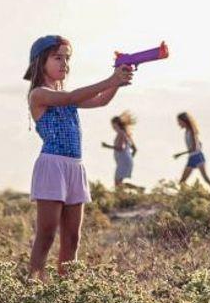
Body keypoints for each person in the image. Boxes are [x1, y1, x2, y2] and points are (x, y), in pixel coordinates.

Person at [24, 34, 133, 279]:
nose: (65, 63)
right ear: (40, 62)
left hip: (75, 167)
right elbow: (70, 98)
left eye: (67, 58)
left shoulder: (69, 97)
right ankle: (32, 289)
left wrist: (118, 80)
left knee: (73, 237)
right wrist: (110, 79)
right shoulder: (39, 95)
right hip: (52, 166)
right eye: (58, 58)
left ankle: (66, 292)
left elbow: (102, 101)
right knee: (47, 234)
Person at [174, 112, 210, 191]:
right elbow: (199, 144)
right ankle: (187, 196)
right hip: (192, 157)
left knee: (205, 178)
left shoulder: (191, 131)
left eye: (179, 121)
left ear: (184, 121)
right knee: (182, 181)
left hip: (197, 157)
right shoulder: (187, 131)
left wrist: (180, 154)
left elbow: (194, 147)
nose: (178, 123)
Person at [102, 111, 138, 189]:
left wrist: (106, 146)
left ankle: (137, 189)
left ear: (116, 124)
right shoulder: (125, 134)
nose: (112, 127)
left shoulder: (121, 134)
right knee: (118, 182)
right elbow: (135, 149)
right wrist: (129, 159)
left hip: (123, 161)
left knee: (117, 182)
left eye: (113, 125)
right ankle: (137, 189)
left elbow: (121, 148)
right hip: (124, 161)